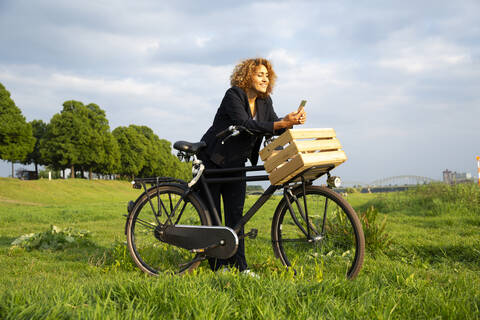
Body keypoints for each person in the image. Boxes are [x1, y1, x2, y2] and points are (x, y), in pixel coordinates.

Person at [198, 57, 307, 273]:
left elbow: (272, 126)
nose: (265, 79)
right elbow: (246, 124)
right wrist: (282, 123)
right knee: (213, 217)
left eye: (267, 75)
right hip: (214, 159)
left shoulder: (265, 102)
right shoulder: (234, 95)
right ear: (247, 76)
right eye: (260, 74)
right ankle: (218, 267)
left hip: (236, 163)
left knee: (236, 217)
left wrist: (288, 120)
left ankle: (241, 267)